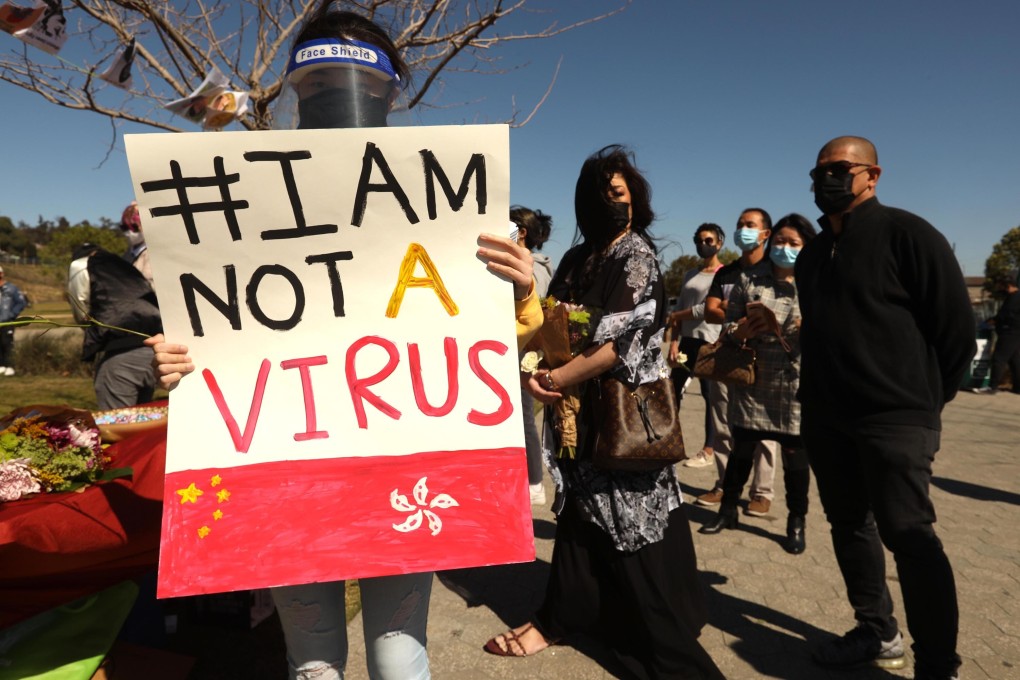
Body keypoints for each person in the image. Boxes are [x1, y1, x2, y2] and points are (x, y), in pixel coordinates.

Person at [146, 5, 539, 679]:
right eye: (320, 85)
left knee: (398, 655)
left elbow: (487, 342)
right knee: (314, 661)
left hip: (404, 477)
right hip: (285, 477)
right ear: (297, 90)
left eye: (352, 85)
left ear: (391, 91)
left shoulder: (443, 200)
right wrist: (175, 361)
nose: (338, 100)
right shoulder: (243, 199)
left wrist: (523, 291)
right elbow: (217, 334)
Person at [484, 145, 723, 680]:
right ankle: (559, 616)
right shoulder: (575, 258)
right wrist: (533, 368)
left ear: (636, 198)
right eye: (602, 194)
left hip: (622, 419)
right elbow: (547, 324)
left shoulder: (635, 257)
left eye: (620, 192)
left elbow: (617, 345)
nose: (612, 202)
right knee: (578, 520)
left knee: (630, 534)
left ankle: (676, 658)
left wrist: (552, 379)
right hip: (574, 415)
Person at [796, 135, 975, 680]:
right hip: (827, 417)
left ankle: (937, 664)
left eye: (840, 168)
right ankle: (877, 632)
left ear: (872, 175)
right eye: (819, 170)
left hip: (894, 419)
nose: (826, 178)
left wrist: (920, 404)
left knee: (909, 536)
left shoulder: (909, 235)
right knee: (849, 525)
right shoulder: (811, 253)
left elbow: (956, 333)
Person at [697, 214, 815, 555]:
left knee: (796, 458)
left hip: (794, 383)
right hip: (754, 379)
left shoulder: (812, 284)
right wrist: (741, 331)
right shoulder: (750, 278)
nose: (784, 249)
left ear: (806, 248)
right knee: (742, 448)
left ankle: (797, 520)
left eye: (793, 244)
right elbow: (729, 324)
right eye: (780, 241)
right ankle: (728, 509)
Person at [696, 209, 780, 518]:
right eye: (740, 225)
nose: (743, 229)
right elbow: (710, 311)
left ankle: (761, 492)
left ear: (765, 234)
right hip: (728, 356)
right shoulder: (726, 273)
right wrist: (742, 312)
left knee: (765, 430)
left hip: (766, 360)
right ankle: (723, 484)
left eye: (750, 225)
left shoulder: (776, 272)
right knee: (722, 425)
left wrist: (731, 310)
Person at [67, 243, 161, 409]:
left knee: (118, 424)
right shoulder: (123, 264)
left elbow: (79, 306)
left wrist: (91, 329)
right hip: (154, 350)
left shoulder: (81, 264)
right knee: (144, 419)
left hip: (120, 353)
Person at [667, 223, 725, 465]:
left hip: (710, 340)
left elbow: (705, 310)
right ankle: (670, 442)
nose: (703, 245)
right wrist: (673, 341)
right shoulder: (690, 274)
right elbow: (679, 307)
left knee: (710, 395)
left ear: (719, 243)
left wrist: (677, 317)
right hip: (687, 341)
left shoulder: (723, 274)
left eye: (709, 240)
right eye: (699, 240)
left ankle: (708, 449)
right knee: (672, 391)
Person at [512, 205, 555, 505]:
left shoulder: (534, 267)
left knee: (526, 416)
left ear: (522, 232)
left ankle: (535, 482)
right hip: (519, 348)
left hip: (525, 351)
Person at [974, 270, 1020, 394]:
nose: (999, 288)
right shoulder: (1014, 297)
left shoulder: (1014, 298)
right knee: (1015, 360)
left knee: (998, 358)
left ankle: (992, 387)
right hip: (1015, 333)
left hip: (1010, 332)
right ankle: (1018, 388)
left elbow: (1003, 316)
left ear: (1007, 285)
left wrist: (989, 322)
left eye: (1001, 285)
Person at [0, 265, 28, 377]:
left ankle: (10, 366)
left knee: (7, 343)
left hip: (7, 321)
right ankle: (1, 365)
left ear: (2, 274)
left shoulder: (11, 288)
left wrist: (12, 314)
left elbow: (21, 302)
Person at [119, 200, 153, 283]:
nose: (129, 232)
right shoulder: (128, 254)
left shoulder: (151, 255)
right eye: (124, 227)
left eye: (134, 227)